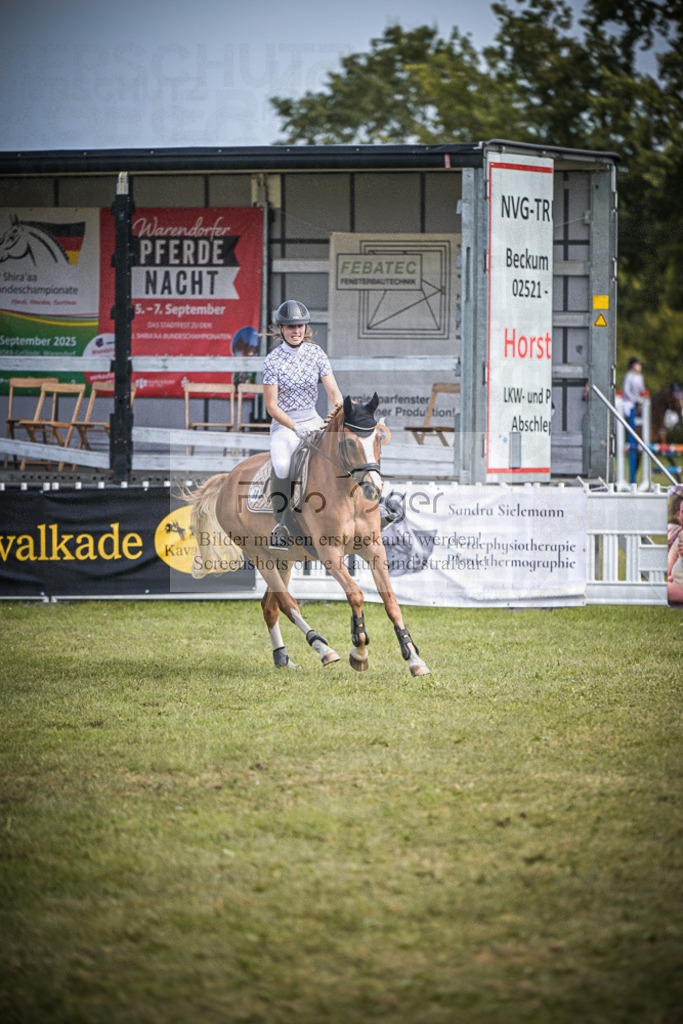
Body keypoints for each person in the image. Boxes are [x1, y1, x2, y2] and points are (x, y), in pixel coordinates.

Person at [262, 300, 344, 549]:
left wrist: (334, 415)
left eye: (299, 326)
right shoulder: (272, 361)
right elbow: (271, 406)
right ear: (281, 328)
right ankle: (282, 524)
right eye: (290, 327)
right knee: (283, 464)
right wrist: (295, 427)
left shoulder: (316, 353)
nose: (296, 331)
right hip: (286, 424)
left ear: (305, 327)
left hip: (314, 419)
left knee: (344, 452)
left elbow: (333, 392)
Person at [622, 357, 646, 483]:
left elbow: (642, 389)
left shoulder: (640, 377)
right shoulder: (629, 376)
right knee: (628, 410)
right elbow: (626, 390)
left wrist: (642, 397)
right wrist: (635, 400)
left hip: (638, 402)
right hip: (629, 402)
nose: (639, 366)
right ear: (633, 365)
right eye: (638, 364)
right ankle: (627, 438)